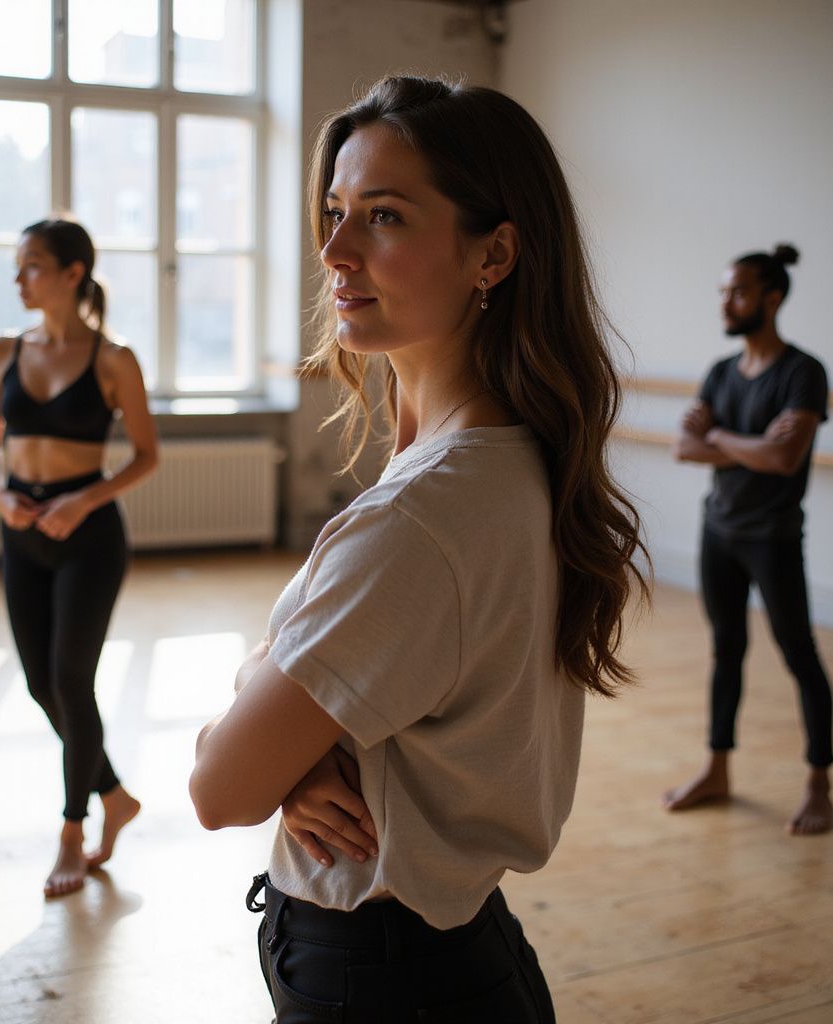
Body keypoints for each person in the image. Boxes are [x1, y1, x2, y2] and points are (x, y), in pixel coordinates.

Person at [189, 76, 648, 1022]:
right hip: (459, 950)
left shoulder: (421, 520)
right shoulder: (504, 460)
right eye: (335, 212)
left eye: (384, 217)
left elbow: (219, 790)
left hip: (385, 975)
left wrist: (261, 743)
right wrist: (287, 734)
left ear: (495, 253)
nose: (334, 251)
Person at [0, 217, 157, 896]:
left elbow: (146, 455)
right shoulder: (0, 352)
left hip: (90, 539)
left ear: (72, 273)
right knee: (39, 684)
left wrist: (85, 499)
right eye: (18, 268)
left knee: (71, 682)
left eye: (31, 267)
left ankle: (73, 832)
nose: (18, 279)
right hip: (20, 533)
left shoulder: (114, 360)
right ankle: (116, 795)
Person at [662, 244, 833, 835]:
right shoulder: (719, 371)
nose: (726, 302)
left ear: (772, 298)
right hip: (720, 532)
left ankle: (819, 784)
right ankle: (716, 770)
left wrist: (723, 437)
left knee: (800, 655)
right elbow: (684, 447)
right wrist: (750, 443)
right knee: (726, 652)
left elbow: (785, 458)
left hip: (774, 539)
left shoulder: (803, 372)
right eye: (724, 291)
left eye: (737, 291)